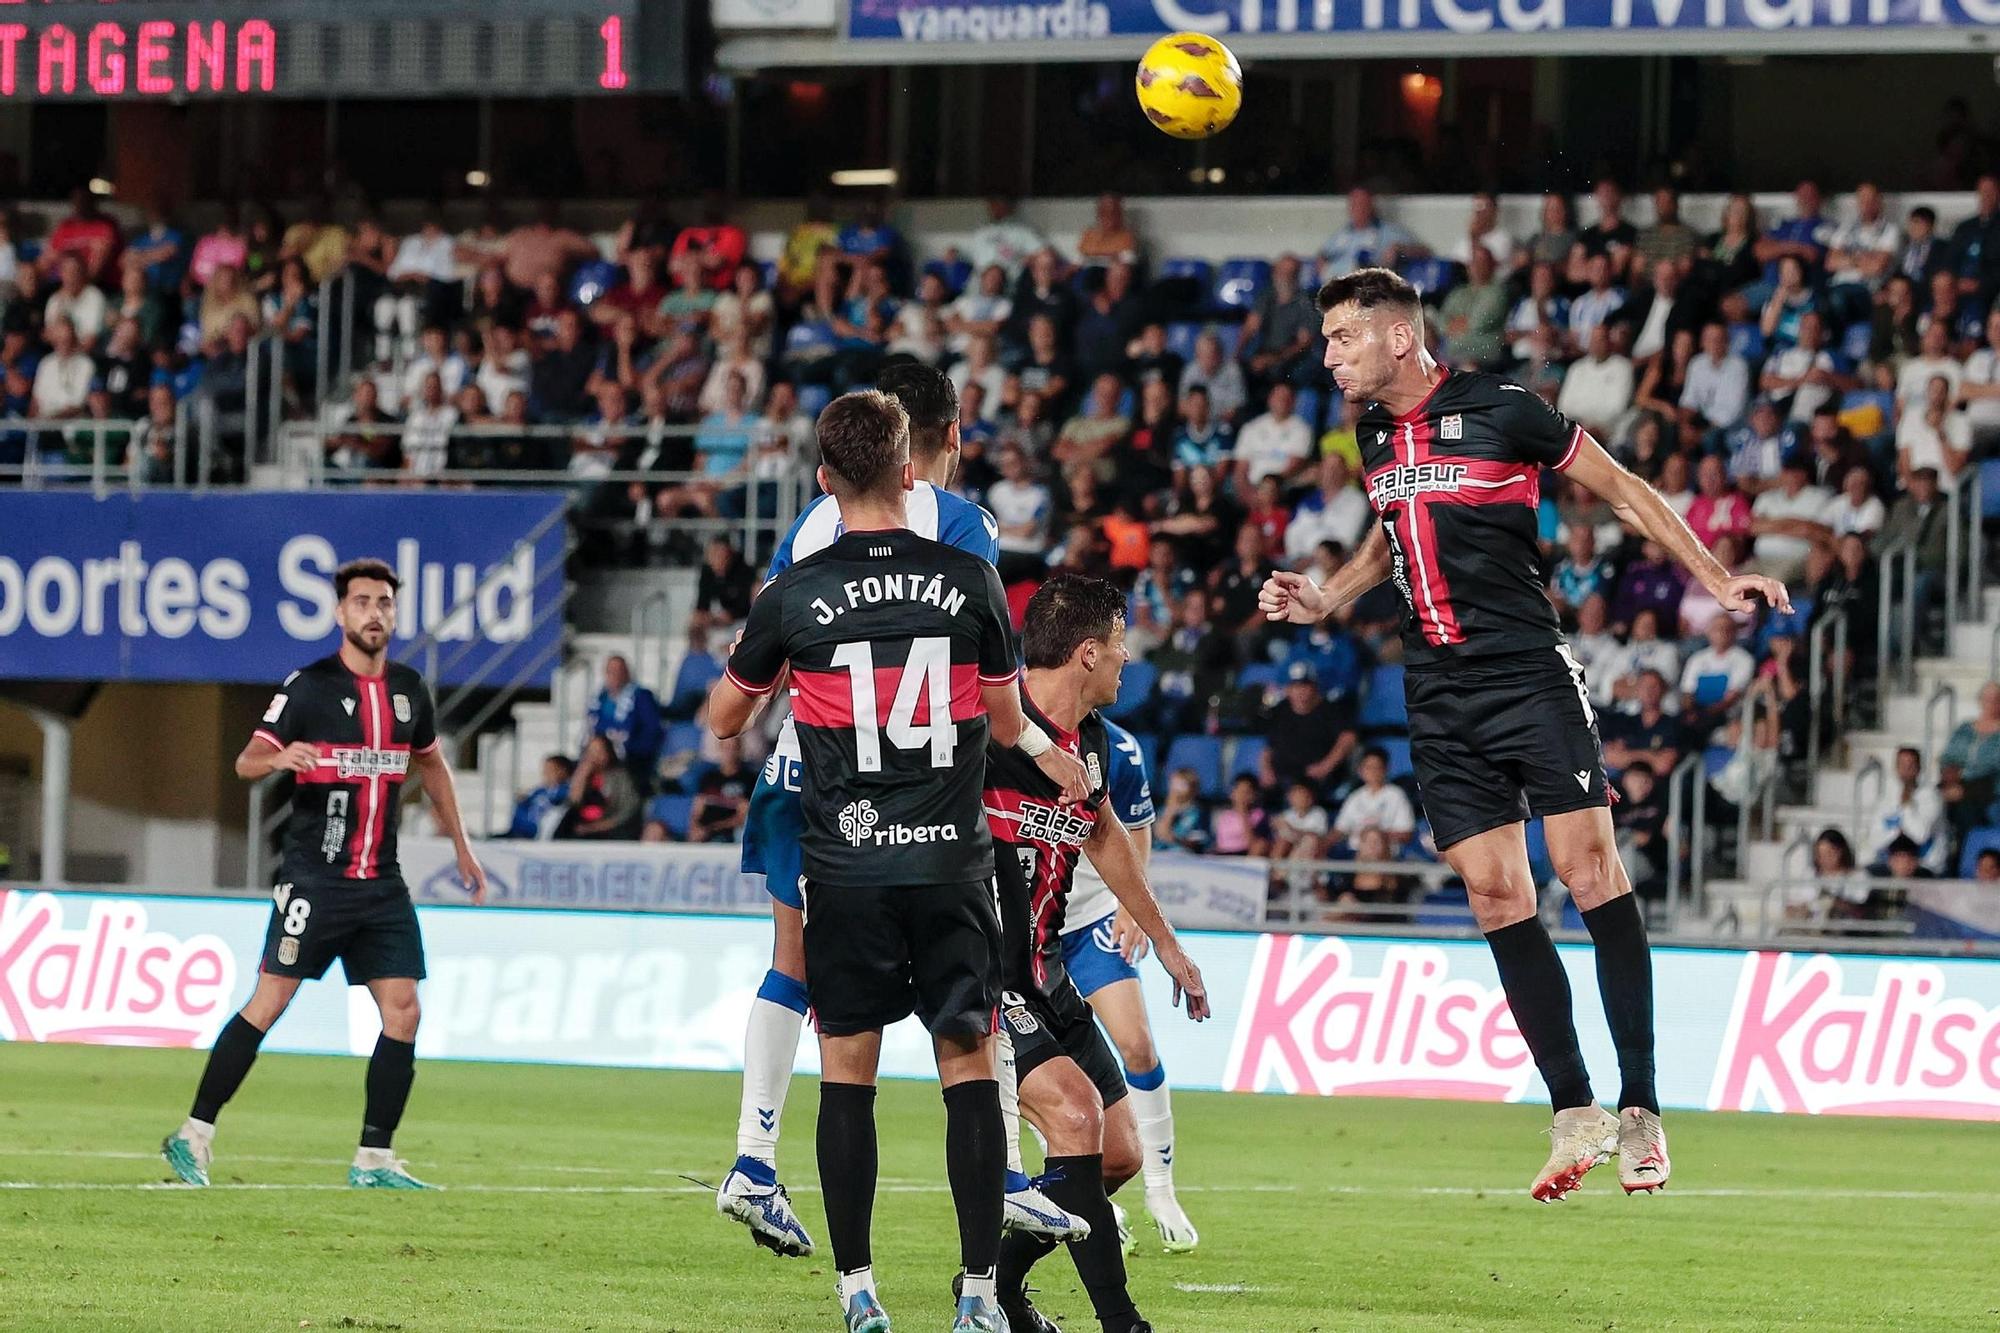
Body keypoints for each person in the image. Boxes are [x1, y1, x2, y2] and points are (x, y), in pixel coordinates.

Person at [1261, 267, 1789, 1201]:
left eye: (1343, 336)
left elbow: (1622, 489)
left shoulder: (1506, 410)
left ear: (1395, 337)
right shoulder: (1373, 431)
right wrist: (1325, 597)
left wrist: (1714, 577)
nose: (1329, 353)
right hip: (1436, 690)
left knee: (1589, 871)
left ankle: (1642, 1110)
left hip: (1526, 673)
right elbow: (1394, 532)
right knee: (1497, 896)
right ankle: (1574, 1110)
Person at [708, 389, 1094, 1333]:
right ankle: (973, 1300)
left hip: (847, 863)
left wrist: (788, 668)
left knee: (850, 1071)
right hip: (951, 860)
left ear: (823, 480)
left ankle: (860, 1294)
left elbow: (723, 719)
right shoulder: (969, 577)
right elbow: (1006, 724)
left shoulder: (794, 592)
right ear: (913, 467)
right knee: (967, 1061)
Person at [160, 559, 488, 1191]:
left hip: (381, 884)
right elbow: (245, 763)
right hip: (315, 878)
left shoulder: (409, 689)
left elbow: (434, 767)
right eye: (362, 602)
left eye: (385, 603)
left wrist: (462, 850)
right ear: (340, 613)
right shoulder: (309, 687)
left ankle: (373, 1159)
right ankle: (192, 1134)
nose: (374, 613)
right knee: (270, 1002)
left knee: (404, 1011)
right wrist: (281, 755)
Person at [982, 574, 1208, 1333]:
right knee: (1076, 1118)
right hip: (980, 977)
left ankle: (993, 1286)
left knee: (1118, 1153)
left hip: (1047, 968)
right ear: (1085, 653)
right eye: (1118, 644)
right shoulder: (983, 722)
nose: (1126, 657)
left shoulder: (1100, 746)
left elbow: (1105, 834)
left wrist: (1170, 946)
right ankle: (1124, 1323)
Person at [1055, 719, 1201, 1253]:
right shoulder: (1011, 727)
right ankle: (1077, 1195)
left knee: (1137, 1046)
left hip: (1092, 916)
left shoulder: (1117, 747)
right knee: (1036, 1065)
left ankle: (1161, 1190)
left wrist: (1130, 905)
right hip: (1025, 923)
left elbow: (1135, 829)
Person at [586, 654, 664, 795]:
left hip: (632, 759)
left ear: (627, 673)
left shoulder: (642, 697)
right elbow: (592, 729)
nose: (615, 675)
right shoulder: (598, 699)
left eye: (619, 671)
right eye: (611, 671)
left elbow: (652, 732)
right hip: (600, 757)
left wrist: (624, 747)